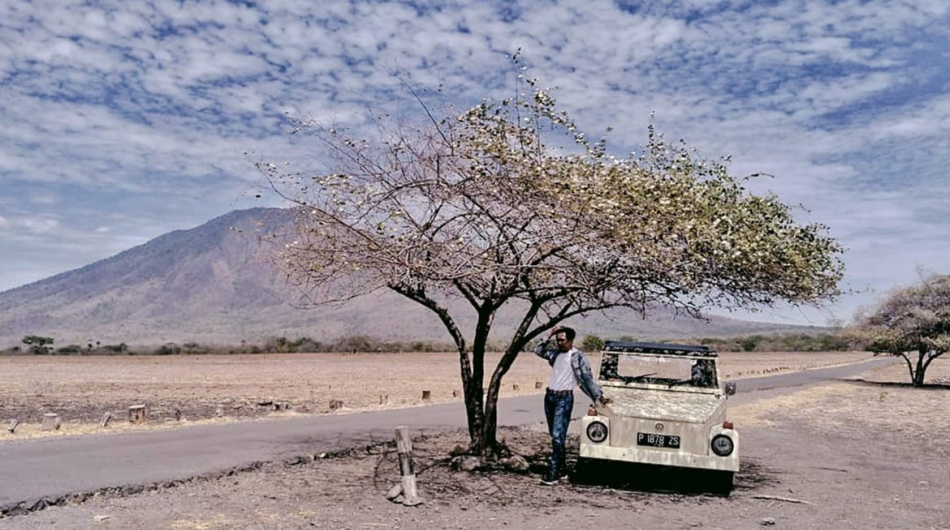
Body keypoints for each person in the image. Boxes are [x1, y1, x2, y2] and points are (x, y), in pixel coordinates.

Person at [534, 325, 610, 485]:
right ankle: (561, 469)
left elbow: (587, 378)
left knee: (557, 436)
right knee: (556, 437)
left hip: (564, 399)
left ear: (570, 340)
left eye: (562, 340)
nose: (559, 343)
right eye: (557, 340)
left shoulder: (577, 357)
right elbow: (538, 350)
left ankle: (553, 473)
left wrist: (598, 396)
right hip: (550, 397)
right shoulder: (555, 354)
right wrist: (549, 334)